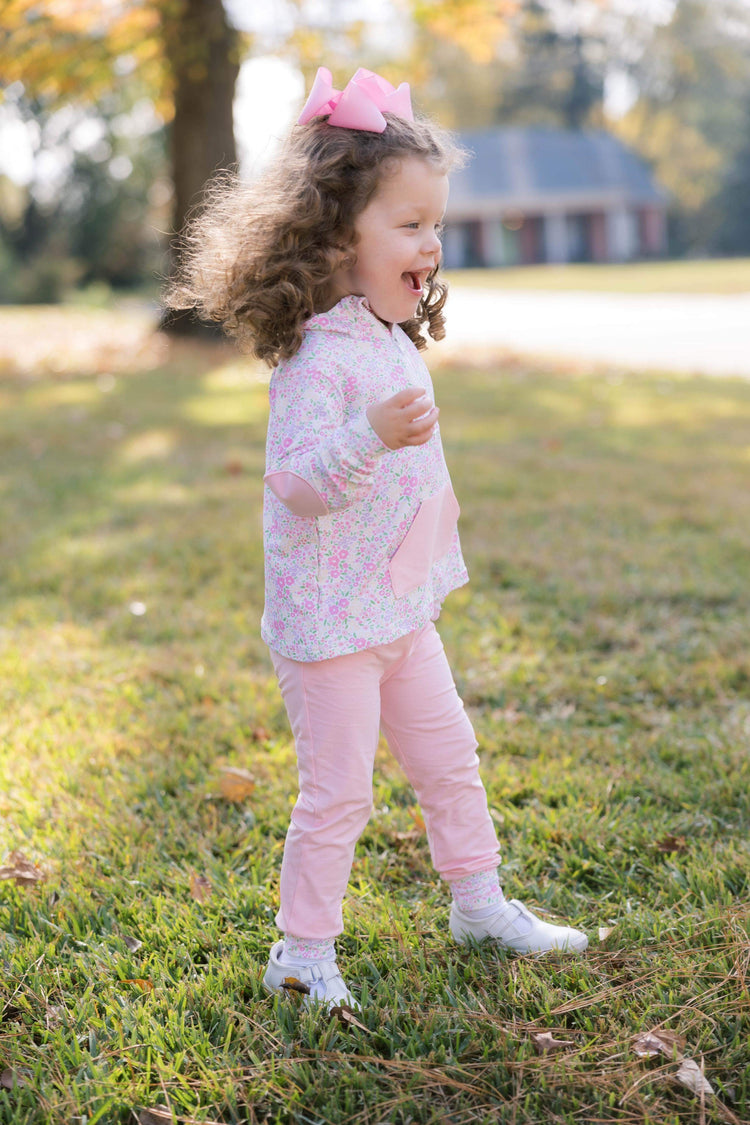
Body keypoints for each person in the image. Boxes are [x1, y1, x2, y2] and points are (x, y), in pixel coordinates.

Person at [169, 66, 588, 1010]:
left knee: (450, 759)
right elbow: (298, 487)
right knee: (339, 796)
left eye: (436, 224)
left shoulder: (385, 334)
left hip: (398, 612)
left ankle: (479, 901)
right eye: (410, 224)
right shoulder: (317, 357)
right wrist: (371, 435)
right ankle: (301, 951)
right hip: (330, 631)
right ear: (332, 236)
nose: (432, 245)